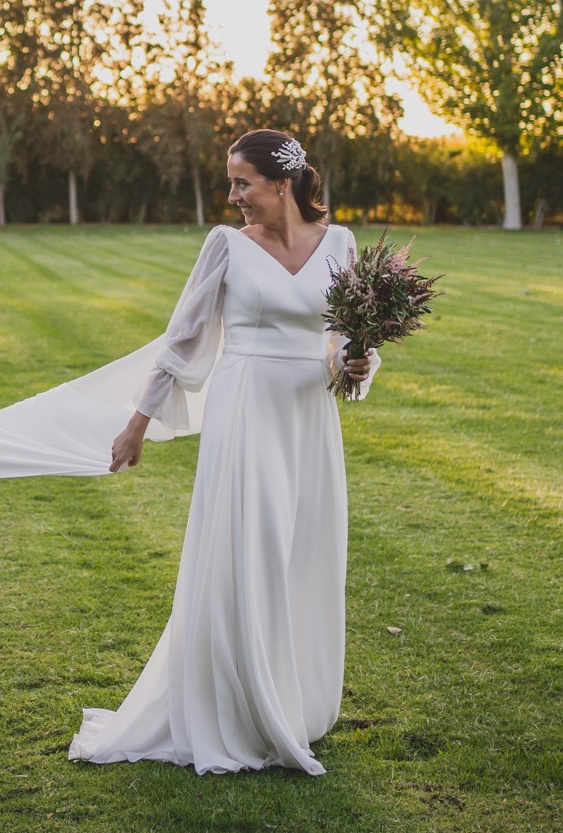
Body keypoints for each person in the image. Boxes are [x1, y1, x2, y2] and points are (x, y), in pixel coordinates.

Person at [69, 128, 375, 775]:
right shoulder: (226, 247)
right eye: (232, 182)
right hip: (246, 416)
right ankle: (241, 707)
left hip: (309, 422)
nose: (233, 195)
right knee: (253, 552)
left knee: (303, 554)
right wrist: (137, 424)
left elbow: (349, 342)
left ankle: (292, 700)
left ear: (283, 184)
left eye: (244, 183)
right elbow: (181, 344)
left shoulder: (341, 245)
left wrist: (358, 366)